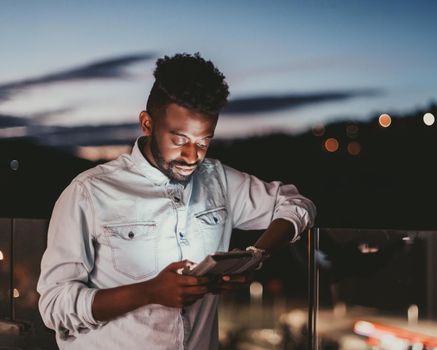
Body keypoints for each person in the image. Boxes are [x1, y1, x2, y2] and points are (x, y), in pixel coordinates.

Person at [37, 53, 316, 350]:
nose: (192, 156)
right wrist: (147, 292)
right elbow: (54, 307)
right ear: (147, 123)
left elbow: (297, 204)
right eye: (180, 140)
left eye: (203, 142)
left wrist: (253, 257)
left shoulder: (217, 180)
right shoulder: (88, 192)